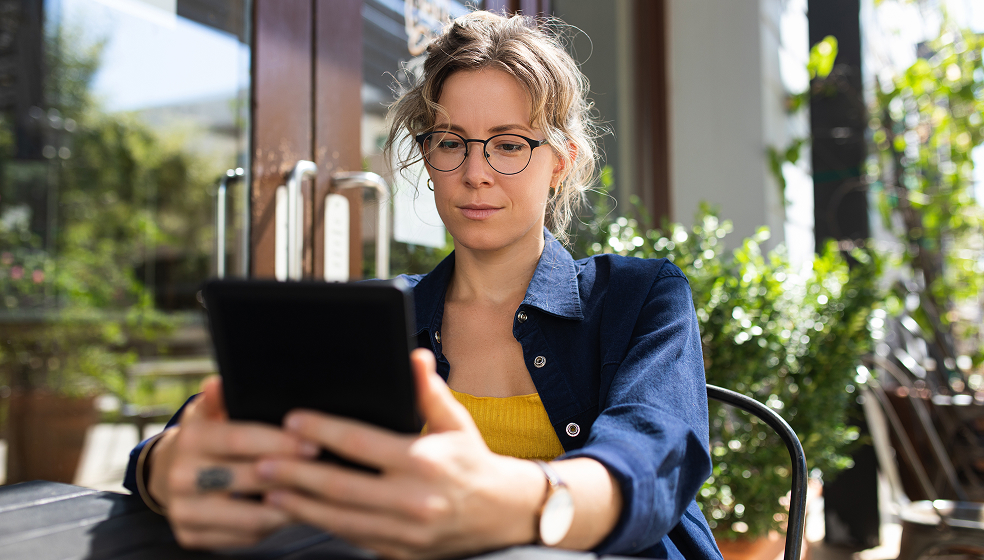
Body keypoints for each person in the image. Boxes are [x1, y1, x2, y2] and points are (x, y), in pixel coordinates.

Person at [124, 10, 722, 560]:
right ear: (427, 155)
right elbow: (190, 439)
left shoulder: (640, 298)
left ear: (560, 161)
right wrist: (172, 468)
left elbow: (653, 460)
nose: (475, 173)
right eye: (450, 143)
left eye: (510, 145)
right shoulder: (377, 317)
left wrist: (519, 504)